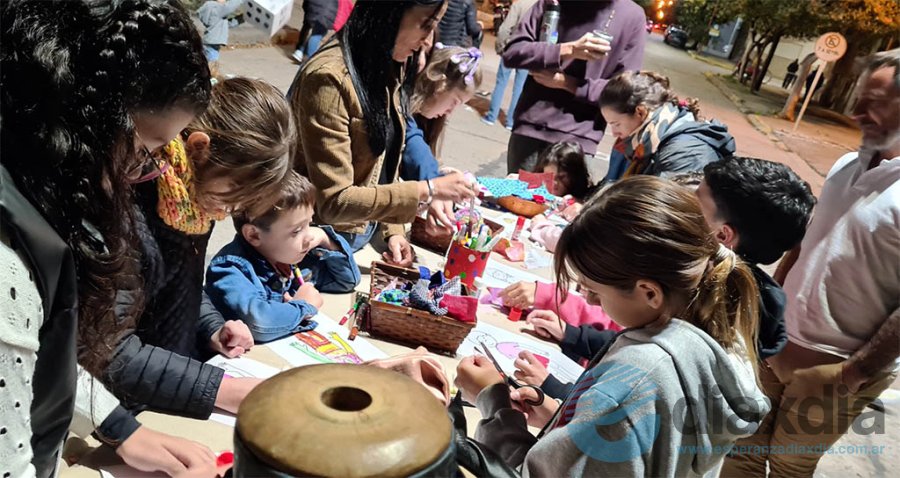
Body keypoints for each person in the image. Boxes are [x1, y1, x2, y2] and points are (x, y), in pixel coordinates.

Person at [1, 1, 223, 476]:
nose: (143, 174)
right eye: (146, 152)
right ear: (87, 125)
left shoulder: (31, 191)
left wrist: (121, 426)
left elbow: (36, 354)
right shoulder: (8, 267)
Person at [455, 176, 768, 476]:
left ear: (649, 293)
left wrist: (495, 404)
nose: (589, 302)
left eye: (594, 290)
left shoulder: (637, 379)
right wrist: (565, 421)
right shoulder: (712, 347)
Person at [723, 49, 900, 477]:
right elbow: (806, 245)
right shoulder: (847, 164)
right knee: (739, 453)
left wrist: (851, 375)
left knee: (789, 470)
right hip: (774, 348)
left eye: (874, 103)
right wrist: (769, 319)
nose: (856, 112)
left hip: (835, 369)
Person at [517, 157, 817, 400]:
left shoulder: (699, 324)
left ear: (722, 236)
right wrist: (573, 335)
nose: (678, 204)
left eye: (693, 203)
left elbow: (628, 402)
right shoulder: (713, 293)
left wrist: (557, 390)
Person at [100, 77, 296, 441]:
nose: (233, 209)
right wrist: (222, 390)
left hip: (171, 387)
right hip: (124, 411)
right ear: (200, 147)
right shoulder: (131, 205)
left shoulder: (193, 203)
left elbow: (180, 284)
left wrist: (209, 327)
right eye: (234, 192)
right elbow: (109, 349)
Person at [290, 0, 475, 268]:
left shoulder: (388, 62)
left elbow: (383, 164)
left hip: (355, 240)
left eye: (433, 28)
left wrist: (394, 230)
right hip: (315, 247)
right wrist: (428, 190)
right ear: (389, 13)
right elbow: (334, 201)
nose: (426, 41)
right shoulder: (329, 78)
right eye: (425, 25)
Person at [206, 172, 360, 343]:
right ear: (254, 235)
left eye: (309, 223)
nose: (308, 236)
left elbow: (346, 281)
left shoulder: (291, 257)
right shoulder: (230, 269)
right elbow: (259, 323)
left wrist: (326, 239)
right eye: (297, 230)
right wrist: (303, 306)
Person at [502, 0, 647, 173]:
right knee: (515, 200)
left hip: (579, 141)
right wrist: (566, 50)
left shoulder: (632, 15)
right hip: (530, 130)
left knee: (564, 202)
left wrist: (566, 83)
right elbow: (512, 53)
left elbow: (625, 94)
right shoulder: (553, 2)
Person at [402, 44, 483, 228]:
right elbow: (413, 143)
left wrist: (444, 174)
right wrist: (437, 184)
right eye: (454, 101)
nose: (450, 111)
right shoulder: (402, 109)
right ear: (440, 84)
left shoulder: (428, 120)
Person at [600, 71, 735, 179]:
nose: (614, 133)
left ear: (640, 112)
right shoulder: (637, 143)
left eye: (616, 124)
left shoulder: (685, 152)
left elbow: (663, 210)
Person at [481, 0, 536, 129]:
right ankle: (511, 121)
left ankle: (491, 116)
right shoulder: (542, 6)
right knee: (519, 87)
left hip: (512, 49)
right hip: (528, 52)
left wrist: (500, 47)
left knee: (501, 82)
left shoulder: (519, 5)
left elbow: (505, 29)